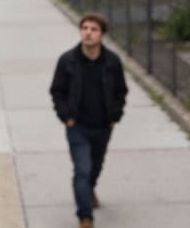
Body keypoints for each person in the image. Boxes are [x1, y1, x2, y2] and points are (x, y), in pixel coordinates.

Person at [50, 12, 128, 228]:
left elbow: (121, 91)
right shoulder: (67, 61)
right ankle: (85, 217)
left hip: (103, 125)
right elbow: (57, 91)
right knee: (82, 169)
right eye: (85, 28)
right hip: (78, 126)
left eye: (93, 29)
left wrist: (115, 115)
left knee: (96, 166)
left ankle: (90, 189)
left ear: (102, 35)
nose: (88, 33)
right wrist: (66, 116)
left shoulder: (112, 62)